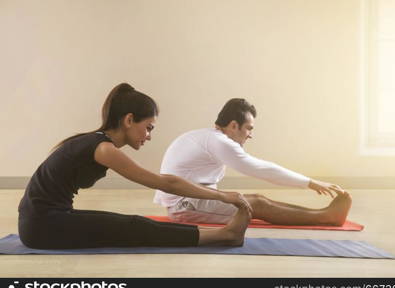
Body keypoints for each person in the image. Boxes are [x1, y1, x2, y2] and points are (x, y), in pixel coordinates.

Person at [18, 84, 253, 250]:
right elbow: (166, 183)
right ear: (129, 120)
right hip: (43, 226)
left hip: (44, 221)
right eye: (149, 127)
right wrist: (222, 196)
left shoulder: (97, 142)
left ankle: (222, 235)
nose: (149, 136)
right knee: (133, 227)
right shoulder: (104, 149)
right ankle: (223, 235)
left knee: (130, 224)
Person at [154, 98, 352, 226]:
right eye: (249, 128)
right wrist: (310, 182)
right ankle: (325, 217)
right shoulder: (219, 141)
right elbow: (262, 169)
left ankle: (323, 214)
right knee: (256, 203)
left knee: (258, 200)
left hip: (191, 200)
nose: (250, 135)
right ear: (233, 125)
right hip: (184, 207)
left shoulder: (207, 136)